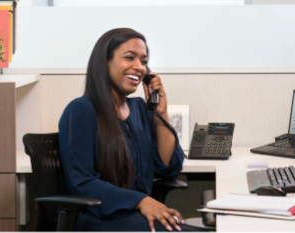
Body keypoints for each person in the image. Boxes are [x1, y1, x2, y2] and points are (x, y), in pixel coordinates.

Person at [58, 28, 206, 233]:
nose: (139, 67)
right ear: (105, 63)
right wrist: (142, 201)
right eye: (130, 58)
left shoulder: (139, 109)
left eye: (144, 61)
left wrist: (159, 114)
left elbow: (167, 168)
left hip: (133, 213)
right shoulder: (81, 110)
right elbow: (83, 183)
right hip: (96, 216)